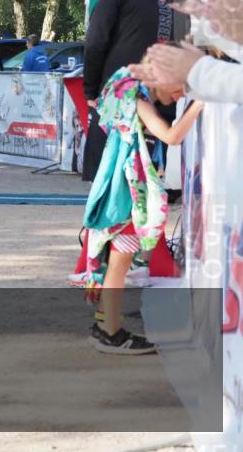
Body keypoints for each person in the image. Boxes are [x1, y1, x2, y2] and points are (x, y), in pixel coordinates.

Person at [81, 64, 203, 354]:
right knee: (119, 263)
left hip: (121, 191)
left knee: (117, 263)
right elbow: (171, 136)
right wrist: (198, 105)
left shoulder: (127, 95)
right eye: (177, 90)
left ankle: (107, 326)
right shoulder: (138, 101)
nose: (177, 98)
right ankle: (109, 332)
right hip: (126, 194)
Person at [82, 0, 173, 182]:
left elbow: (96, 41)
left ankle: (116, 217)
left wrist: (90, 90)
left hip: (120, 94)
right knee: (150, 175)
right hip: (164, 97)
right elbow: (183, 43)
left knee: (111, 174)